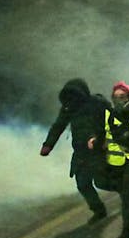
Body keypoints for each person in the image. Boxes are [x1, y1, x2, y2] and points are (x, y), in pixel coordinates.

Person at [40, 78, 110, 224]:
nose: (71, 100)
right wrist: (48, 145)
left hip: (99, 150)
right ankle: (99, 210)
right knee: (83, 183)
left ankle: (128, 194)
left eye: (74, 95)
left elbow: (114, 122)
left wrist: (105, 140)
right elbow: (58, 126)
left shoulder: (98, 104)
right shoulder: (68, 108)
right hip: (80, 152)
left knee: (103, 181)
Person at [100, 81, 129, 238]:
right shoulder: (112, 115)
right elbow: (115, 134)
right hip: (122, 163)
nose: (119, 100)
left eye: (122, 97)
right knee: (128, 197)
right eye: (116, 97)